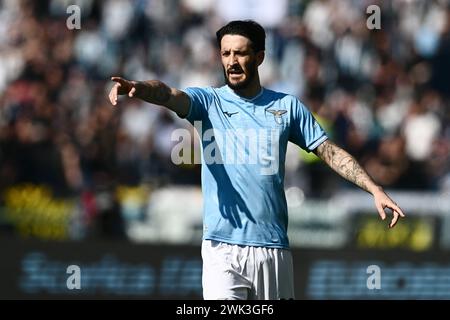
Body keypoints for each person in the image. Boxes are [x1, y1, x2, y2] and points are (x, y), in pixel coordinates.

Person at [108, 20, 405, 300]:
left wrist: (374, 189)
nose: (232, 61)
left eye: (240, 53)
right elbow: (169, 94)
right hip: (220, 247)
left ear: (259, 57)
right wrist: (140, 88)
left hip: (270, 248)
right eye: (226, 53)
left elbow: (329, 152)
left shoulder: (286, 107)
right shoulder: (208, 102)